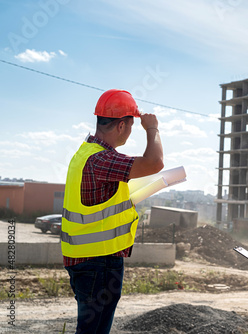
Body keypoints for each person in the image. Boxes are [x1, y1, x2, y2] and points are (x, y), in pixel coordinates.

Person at [61, 89, 164, 333]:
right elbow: (155, 163)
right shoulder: (102, 160)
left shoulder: (86, 153)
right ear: (121, 126)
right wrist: (152, 128)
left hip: (86, 260)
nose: (130, 132)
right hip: (99, 263)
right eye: (130, 126)